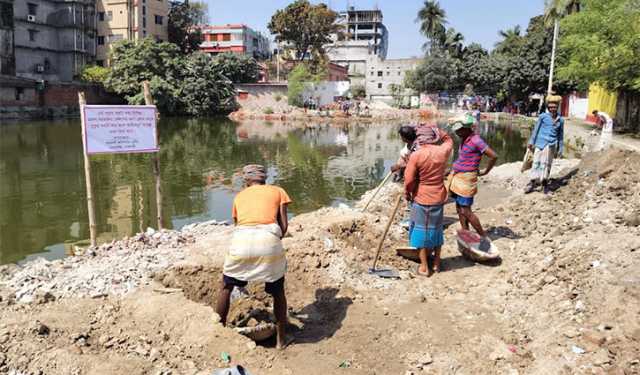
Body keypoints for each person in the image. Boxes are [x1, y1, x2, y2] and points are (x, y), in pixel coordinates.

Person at [215, 164, 292, 349]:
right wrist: (272, 240)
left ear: (247, 180)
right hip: (268, 240)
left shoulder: (239, 196)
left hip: (241, 241)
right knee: (278, 291)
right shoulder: (278, 191)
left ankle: (218, 333)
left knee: (226, 286)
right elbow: (284, 225)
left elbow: (238, 224)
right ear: (264, 178)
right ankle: (281, 340)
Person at [404, 126, 454, 276]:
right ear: (433, 138)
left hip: (422, 196)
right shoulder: (442, 151)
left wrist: (408, 193)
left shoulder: (417, 155)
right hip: (438, 196)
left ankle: (424, 267)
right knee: (436, 229)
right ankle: (437, 264)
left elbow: (409, 180)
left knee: (419, 230)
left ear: (419, 139)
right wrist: (436, 129)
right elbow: (448, 139)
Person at [446, 114, 498, 244]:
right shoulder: (464, 138)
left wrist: (486, 171)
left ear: (466, 128)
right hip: (458, 176)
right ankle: (465, 231)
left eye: (459, 130)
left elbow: (493, 156)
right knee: (459, 207)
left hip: (466, 179)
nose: (457, 132)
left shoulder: (476, 140)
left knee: (466, 210)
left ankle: (484, 237)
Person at [525, 96, 564, 194]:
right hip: (540, 143)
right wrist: (531, 141)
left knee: (547, 164)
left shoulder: (561, 120)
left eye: (554, 107)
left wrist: (560, 148)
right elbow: (536, 129)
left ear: (557, 107)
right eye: (550, 107)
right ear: (548, 107)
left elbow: (560, 135)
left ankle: (544, 184)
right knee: (536, 163)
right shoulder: (543, 116)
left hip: (551, 145)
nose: (552, 109)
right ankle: (532, 182)